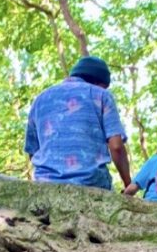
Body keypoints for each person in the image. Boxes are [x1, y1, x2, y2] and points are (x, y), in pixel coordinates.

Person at [24, 56, 131, 190]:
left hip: (45, 183)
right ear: (99, 82)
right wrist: (128, 184)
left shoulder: (40, 99)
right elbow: (116, 146)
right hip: (91, 183)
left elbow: (33, 151)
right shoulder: (101, 95)